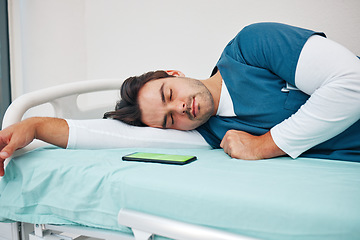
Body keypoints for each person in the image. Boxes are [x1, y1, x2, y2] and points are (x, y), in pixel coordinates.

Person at [1, 22, 359, 176]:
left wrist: (266, 145)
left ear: (173, 73)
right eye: (170, 119)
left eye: (169, 94)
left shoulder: (251, 48)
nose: (180, 109)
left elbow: (352, 81)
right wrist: (33, 126)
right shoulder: (211, 134)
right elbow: (108, 136)